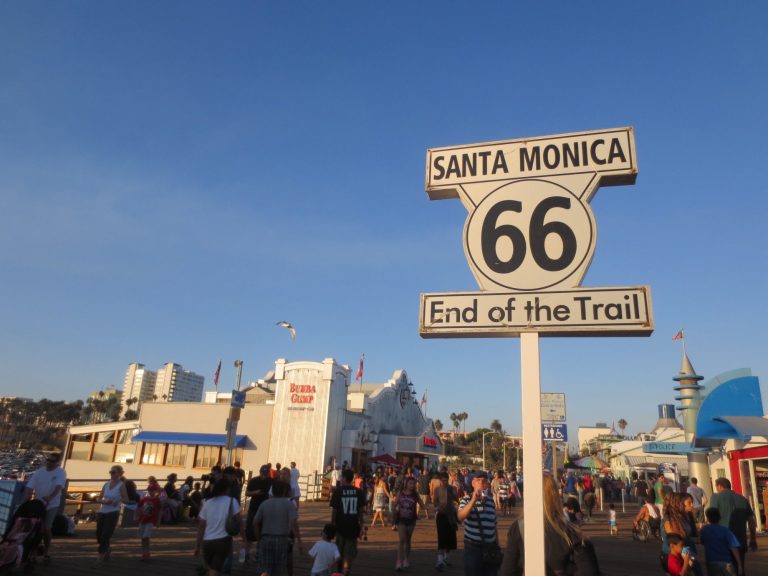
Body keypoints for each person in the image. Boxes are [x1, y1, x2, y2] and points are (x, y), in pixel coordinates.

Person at [500, 473, 601, 576]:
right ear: (555, 497)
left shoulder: (518, 528)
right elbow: (589, 571)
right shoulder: (571, 533)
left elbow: (507, 571)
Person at [196, 477, 245, 576]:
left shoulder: (207, 503)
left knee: (210, 568)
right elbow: (239, 521)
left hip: (207, 541)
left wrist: (198, 545)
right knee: (215, 570)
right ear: (227, 489)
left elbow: (201, 526)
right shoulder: (232, 501)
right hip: (223, 541)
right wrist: (244, 536)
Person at [23, 452, 66, 564]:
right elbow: (30, 485)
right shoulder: (40, 472)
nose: (49, 462)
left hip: (52, 504)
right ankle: (33, 551)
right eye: (48, 460)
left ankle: (46, 550)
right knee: (36, 527)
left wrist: (50, 497)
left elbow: (59, 486)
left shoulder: (60, 472)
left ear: (57, 462)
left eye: (52, 461)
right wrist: (28, 495)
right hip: (39, 504)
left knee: (46, 528)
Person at [253, 480, 304, 576]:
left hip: (266, 538)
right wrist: (299, 540)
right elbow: (293, 523)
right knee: (279, 570)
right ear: (284, 491)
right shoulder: (289, 504)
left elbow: (255, 522)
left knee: (265, 570)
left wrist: (259, 539)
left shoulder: (265, 504)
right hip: (282, 539)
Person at [708, 477, 758, 574]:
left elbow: (712, 518)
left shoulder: (715, 497)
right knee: (739, 567)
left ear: (719, 486)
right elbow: (751, 521)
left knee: (724, 570)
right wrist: (753, 539)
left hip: (721, 541)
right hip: (740, 540)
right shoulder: (743, 499)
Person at [458, 471, 499, 576]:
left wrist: (496, 544)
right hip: (473, 548)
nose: (481, 482)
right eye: (478, 480)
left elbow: (494, 525)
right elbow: (460, 517)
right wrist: (473, 500)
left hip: (490, 548)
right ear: (473, 483)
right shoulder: (466, 500)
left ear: (487, 484)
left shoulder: (490, 501)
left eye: (484, 481)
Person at [330, 469, 365, 576]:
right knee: (349, 553)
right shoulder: (359, 492)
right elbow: (360, 511)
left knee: (339, 550)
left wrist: (332, 524)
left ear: (345, 478)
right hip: (353, 526)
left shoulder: (338, 491)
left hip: (340, 525)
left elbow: (334, 510)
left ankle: (338, 571)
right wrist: (361, 525)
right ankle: (346, 572)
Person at [94, 464, 129, 566]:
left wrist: (116, 501)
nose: (111, 474)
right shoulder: (106, 484)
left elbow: (126, 499)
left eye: (114, 472)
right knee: (99, 534)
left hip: (113, 512)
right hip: (102, 511)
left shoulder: (121, 485)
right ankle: (107, 549)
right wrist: (103, 501)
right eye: (110, 472)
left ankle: (100, 556)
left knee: (106, 534)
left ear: (119, 474)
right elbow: (98, 498)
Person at [699, 507, 743, 576]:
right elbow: (734, 547)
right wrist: (739, 564)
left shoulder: (704, 530)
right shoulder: (726, 531)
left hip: (711, 562)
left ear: (707, 518)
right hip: (726, 562)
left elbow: (701, 541)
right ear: (720, 517)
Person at [393, 476, 423, 571]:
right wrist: (393, 516)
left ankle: (406, 559)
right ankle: (399, 561)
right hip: (401, 519)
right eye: (410, 483)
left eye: (413, 484)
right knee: (402, 539)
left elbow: (421, 503)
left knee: (408, 540)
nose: (412, 485)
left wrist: (428, 508)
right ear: (406, 484)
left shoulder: (415, 494)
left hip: (411, 520)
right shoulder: (400, 493)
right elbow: (395, 504)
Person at [245, 464, 273, 560]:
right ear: (260, 472)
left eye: (266, 473)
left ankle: (259, 552)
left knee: (263, 531)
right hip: (254, 508)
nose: (264, 475)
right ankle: (246, 553)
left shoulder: (271, 481)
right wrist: (255, 492)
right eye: (263, 473)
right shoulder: (253, 480)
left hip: (266, 509)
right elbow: (247, 493)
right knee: (249, 531)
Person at [432, 471, 458, 571]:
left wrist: (453, 493)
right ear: (440, 480)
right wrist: (439, 506)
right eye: (443, 480)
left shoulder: (452, 488)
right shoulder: (437, 489)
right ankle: (440, 560)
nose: (444, 482)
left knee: (450, 537)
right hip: (441, 516)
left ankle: (446, 558)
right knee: (441, 537)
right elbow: (434, 502)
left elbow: (457, 499)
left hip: (450, 515)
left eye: (446, 480)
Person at [137, 479, 162, 561]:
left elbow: (160, 510)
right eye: (150, 490)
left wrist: (158, 521)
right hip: (142, 520)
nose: (151, 492)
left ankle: (147, 553)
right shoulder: (144, 499)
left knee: (146, 537)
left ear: (156, 491)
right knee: (142, 538)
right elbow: (139, 507)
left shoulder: (157, 500)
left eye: (153, 491)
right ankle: (144, 553)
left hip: (150, 521)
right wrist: (137, 516)